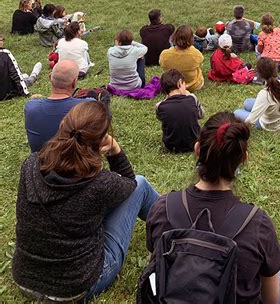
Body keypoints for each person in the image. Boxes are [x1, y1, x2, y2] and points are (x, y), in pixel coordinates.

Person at [144, 112, 280, 303]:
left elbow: (155, 268)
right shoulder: (257, 224)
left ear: (197, 149)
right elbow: (271, 300)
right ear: (243, 159)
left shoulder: (161, 208)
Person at [13, 101, 159, 301]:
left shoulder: (30, 164)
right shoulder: (101, 184)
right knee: (140, 184)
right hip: (75, 288)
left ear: (62, 125)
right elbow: (129, 184)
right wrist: (115, 150)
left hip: (25, 280)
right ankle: (176, 219)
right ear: (100, 143)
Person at [24, 60, 95, 151]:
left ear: (50, 78)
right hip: (76, 163)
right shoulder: (88, 106)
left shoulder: (30, 107)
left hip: (42, 163)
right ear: (74, 82)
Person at [235, 57, 280, 131]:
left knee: (237, 112)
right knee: (247, 102)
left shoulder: (264, 94)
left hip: (272, 126)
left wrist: (240, 129)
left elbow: (250, 121)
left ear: (259, 74)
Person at [156, 68, 203, 153]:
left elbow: (162, 118)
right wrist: (189, 94)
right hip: (195, 143)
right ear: (180, 83)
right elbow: (201, 115)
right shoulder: (192, 98)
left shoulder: (160, 105)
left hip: (171, 147)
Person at [159, 25, 204, 92]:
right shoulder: (195, 54)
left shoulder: (165, 54)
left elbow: (161, 64)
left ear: (175, 37)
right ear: (191, 38)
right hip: (192, 85)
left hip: (171, 86)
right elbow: (201, 60)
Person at [0, 34, 42, 100]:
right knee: (27, 80)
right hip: (6, 93)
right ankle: (34, 74)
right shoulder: (5, 53)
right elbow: (15, 74)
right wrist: (26, 93)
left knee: (24, 75)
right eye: (2, 40)